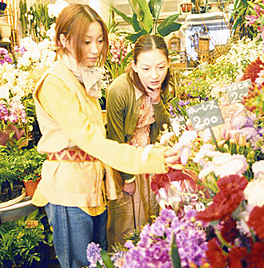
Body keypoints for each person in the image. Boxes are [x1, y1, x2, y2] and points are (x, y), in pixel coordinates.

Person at [31, 5, 177, 268]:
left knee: (99, 261)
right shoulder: (55, 83)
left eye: (99, 40)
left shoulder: (79, 78)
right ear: (63, 40)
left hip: (92, 186)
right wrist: (149, 158)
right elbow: (91, 139)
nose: (95, 50)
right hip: (68, 190)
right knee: (80, 263)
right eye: (86, 41)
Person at [106, 34, 172, 248]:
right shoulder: (119, 90)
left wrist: (157, 100)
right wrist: (127, 177)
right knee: (128, 222)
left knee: (152, 215)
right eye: (146, 69)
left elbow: (164, 129)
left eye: (161, 67)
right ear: (134, 65)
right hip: (127, 161)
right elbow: (114, 137)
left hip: (150, 160)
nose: (154, 75)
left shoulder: (161, 84)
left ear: (168, 63)